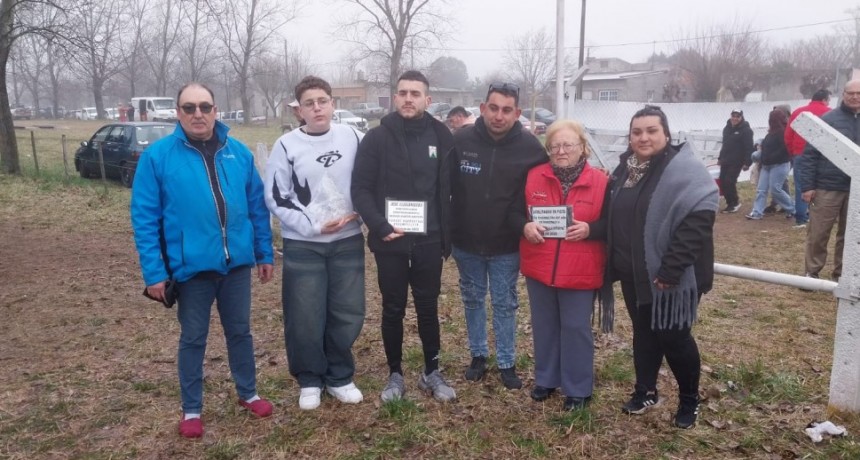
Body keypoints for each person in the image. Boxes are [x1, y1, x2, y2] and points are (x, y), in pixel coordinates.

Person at [130, 82, 275, 438]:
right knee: (193, 338)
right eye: (190, 107)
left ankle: (248, 392)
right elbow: (145, 218)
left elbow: (256, 206)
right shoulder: (159, 156)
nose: (198, 114)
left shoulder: (237, 153)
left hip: (236, 264)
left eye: (205, 107)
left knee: (240, 332)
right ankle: (192, 409)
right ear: (178, 113)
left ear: (216, 111)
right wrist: (154, 273)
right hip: (191, 268)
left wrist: (263, 252)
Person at [602, 105, 718, 429]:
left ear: (666, 133)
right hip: (632, 272)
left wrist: (671, 270)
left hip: (672, 277)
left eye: (652, 130)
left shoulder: (684, 170)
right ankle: (646, 390)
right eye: (637, 132)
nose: (644, 137)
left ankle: (690, 401)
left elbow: (699, 219)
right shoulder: (625, 170)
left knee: (674, 337)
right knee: (644, 333)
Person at [351, 70, 457, 402]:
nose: (408, 98)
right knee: (393, 307)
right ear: (395, 97)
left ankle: (431, 371)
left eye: (415, 93)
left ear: (428, 99)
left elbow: (452, 187)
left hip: (429, 240)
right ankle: (395, 374)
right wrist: (380, 226)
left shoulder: (442, 136)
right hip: (391, 241)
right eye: (403, 93)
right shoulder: (376, 138)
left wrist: (447, 233)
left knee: (427, 307)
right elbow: (361, 189)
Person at [264, 76, 366, 411]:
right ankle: (309, 379)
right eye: (309, 103)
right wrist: (312, 226)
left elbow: (373, 178)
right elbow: (277, 196)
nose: (317, 108)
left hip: (347, 241)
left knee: (347, 310)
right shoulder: (286, 146)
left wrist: (365, 215)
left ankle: (339, 375)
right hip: (304, 244)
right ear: (299, 110)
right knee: (305, 314)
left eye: (323, 100)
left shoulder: (352, 137)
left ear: (332, 103)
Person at [451, 82, 547, 390]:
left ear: (517, 113)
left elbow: (546, 188)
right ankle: (478, 355)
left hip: (507, 242)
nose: (499, 116)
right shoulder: (461, 140)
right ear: (482, 108)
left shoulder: (531, 148)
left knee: (505, 303)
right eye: (493, 108)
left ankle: (507, 362)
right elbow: (443, 185)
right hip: (466, 240)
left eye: (507, 110)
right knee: (473, 298)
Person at [520, 120, 608, 411]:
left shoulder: (601, 181)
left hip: (581, 267)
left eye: (568, 144)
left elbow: (615, 224)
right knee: (544, 326)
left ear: (582, 148)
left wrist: (591, 230)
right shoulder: (534, 176)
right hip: (540, 265)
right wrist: (525, 226)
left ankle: (578, 388)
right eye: (555, 145)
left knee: (575, 327)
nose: (561, 151)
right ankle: (546, 378)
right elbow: (515, 211)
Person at [795, 81, 857, 282]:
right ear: (843, 94)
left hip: (856, 188)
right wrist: (808, 186)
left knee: (851, 235)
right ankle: (812, 272)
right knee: (819, 232)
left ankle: (843, 274)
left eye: (859, 93)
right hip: (827, 186)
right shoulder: (828, 120)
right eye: (851, 93)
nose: (855, 97)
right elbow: (810, 155)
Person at [785, 89, 832, 228]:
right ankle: (816, 215)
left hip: (800, 153)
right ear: (824, 100)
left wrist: (792, 151)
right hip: (822, 155)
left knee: (801, 186)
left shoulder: (798, 112)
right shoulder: (830, 113)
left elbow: (788, 135)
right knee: (821, 186)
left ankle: (801, 217)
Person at [745, 109, 795, 220]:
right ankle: (757, 212)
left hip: (779, 165)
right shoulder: (770, 133)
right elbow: (766, 147)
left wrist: (769, 157)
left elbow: (784, 150)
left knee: (775, 189)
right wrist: (762, 157)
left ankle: (792, 208)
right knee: (761, 189)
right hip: (767, 165)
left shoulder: (784, 132)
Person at [717, 109, 754, 213]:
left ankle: (734, 203)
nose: (735, 118)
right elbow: (724, 145)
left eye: (737, 116)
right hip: (726, 160)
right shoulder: (727, 128)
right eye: (733, 116)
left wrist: (747, 162)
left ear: (741, 118)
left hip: (737, 161)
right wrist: (720, 158)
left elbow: (749, 147)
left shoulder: (746, 130)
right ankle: (730, 202)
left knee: (729, 181)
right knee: (722, 181)